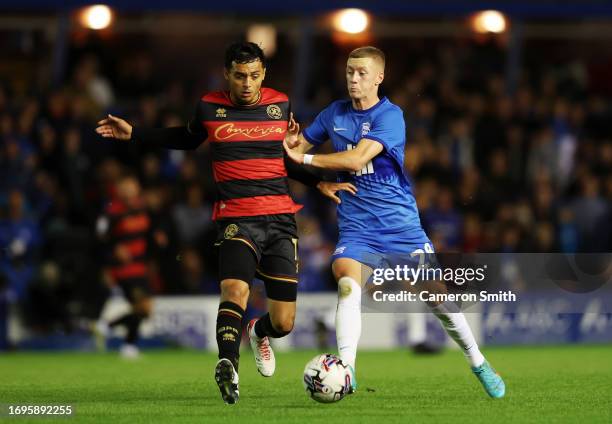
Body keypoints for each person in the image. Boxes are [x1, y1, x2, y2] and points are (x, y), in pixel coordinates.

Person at [96, 42, 355, 404]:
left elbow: (286, 159)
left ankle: (257, 331)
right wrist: (136, 133)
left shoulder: (280, 104)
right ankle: (228, 365)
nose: (247, 83)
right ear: (227, 74)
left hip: (280, 218)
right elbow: (186, 139)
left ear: (263, 73)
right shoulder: (209, 107)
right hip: (236, 217)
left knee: (283, 323)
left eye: (253, 75)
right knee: (235, 290)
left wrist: (318, 180)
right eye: (239, 75)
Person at [284, 46, 506, 398]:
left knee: (439, 299)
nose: (353, 79)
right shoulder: (333, 114)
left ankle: (478, 362)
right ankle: (347, 370)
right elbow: (293, 150)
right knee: (346, 280)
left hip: (400, 226)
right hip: (357, 227)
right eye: (349, 72)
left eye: (361, 73)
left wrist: (306, 156)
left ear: (378, 77)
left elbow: (357, 159)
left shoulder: (391, 116)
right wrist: (293, 142)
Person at [94, 175, 153, 359]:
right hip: (124, 270)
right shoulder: (112, 212)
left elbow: (149, 230)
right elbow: (100, 238)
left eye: (132, 186)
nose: (129, 190)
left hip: (139, 267)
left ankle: (110, 330)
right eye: (125, 187)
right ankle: (124, 342)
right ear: (118, 190)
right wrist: (114, 249)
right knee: (143, 307)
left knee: (143, 310)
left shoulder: (142, 207)